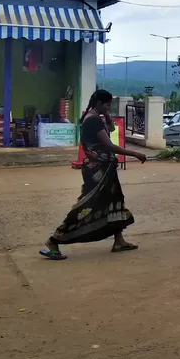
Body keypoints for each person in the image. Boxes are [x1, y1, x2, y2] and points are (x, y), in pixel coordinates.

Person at [40, 89, 147, 260]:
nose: (108, 107)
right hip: (98, 171)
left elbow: (111, 128)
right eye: (107, 104)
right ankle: (54, 240)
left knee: (115, 201)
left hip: (105, 169)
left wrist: (107, 115)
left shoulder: (95, 119)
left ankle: (119, 241)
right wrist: (135, 154)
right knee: (87, 205)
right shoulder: (93, 121)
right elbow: (110, 146)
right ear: (99, 103)